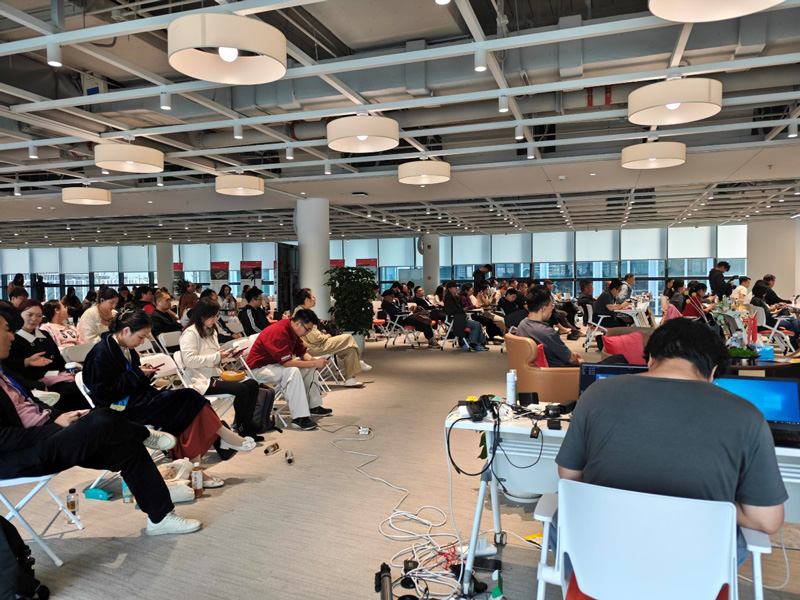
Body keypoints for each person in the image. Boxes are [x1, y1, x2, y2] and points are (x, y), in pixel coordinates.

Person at [555, 318, 786, 567]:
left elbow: (569, 476)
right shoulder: (747, 415)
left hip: (599, 562)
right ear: (713, 371)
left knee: (562, 512)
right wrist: (717, 506)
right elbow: (767, 520)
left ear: (651, 359)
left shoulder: (596, 393)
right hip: (696, 572)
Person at [0, 304, 202, 537]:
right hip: (26, 452)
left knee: (127, 446)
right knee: (104, 415)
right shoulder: (103, 351)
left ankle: (161, 517)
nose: (11, 336)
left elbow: (34, 406)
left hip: (48, 432)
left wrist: (62, 418)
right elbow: (3, 438)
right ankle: (144, 434)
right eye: (6, 330)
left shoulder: (4, 371)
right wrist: (55, 426)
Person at [83, 308, 256, 486]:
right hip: (119, 408)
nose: (142, 342)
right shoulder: (101, 353)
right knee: (190, 402)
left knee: (190, 405)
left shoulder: (125, 348)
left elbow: (129, 380)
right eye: (141, 337)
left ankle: (199, 466)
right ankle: (219, 444)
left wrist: (144, 375)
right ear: (126, 330)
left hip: (137, 400)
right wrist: (137, 375)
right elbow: (104, 394)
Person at [180, 298, 262, 440]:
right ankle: (243, 427)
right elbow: (189, 361)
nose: (215, 320)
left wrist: (230, 356)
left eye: (216, 316)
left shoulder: (211, 331)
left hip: (216, 374)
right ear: (201, 315)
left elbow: (216, 357)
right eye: (212, 316)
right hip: (201, 379)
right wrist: (217, 356)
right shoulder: (190, 333)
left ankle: (245, 424)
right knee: (242, 389)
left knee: (252, 384)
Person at [245, 309, 334, 431]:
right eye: (307, 329)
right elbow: (287, 363)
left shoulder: (292, 329)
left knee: (308, 368)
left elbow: (301, 352)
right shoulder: (279, 331)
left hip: (273, 364)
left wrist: (314, 362)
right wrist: (314, 362)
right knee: (293, 371)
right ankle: (299, 418)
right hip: (258, 368)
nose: (307, 333)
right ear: (298, 323)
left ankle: (313, 406)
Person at [6, 300, 90, 412]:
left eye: (39, 315)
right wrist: (26, 362)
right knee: (74, 390)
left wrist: (71, 368)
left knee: (87, 381)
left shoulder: (44, 334)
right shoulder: (13, 339)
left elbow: (57, 360)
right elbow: (10, 368)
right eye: (29, 315)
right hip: (34, 382)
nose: (34, 319)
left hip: (56, 376)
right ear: (19, 314)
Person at [293, 289, 369, 386]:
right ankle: (358, 362)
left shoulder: (301, 312)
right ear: (307, 300)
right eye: (313, 297)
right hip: (313, 348)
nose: (315, 299)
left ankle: (350, 379)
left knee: (350, 349)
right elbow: (315, 338)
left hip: (314, 345)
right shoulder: (303, 315)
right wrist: (326, 336)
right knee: (348, 337)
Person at [751, 281, 800, 346]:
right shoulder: (760, 301)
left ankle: (795, 343)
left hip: (762, 324)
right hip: (768, 324)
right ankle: (795, 342)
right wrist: (775, 312)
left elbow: (765, 311)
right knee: (791, 321)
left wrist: (776, 307)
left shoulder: (754, 300)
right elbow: (767, 313)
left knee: (792, 320)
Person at [442, 282, 487, 351]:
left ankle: (479, 343)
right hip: (455, 319)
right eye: (454, 287)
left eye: (456, 287)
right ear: (449, 289)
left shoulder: (455, 297)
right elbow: (451, 311)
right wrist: (463, 310)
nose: (456, 289)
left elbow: (456, 309)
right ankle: (471, 343)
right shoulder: (448, 298)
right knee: (476, 325)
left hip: (459, 318)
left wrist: (462, 310)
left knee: (477, 324)